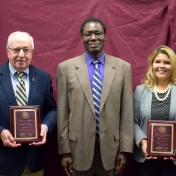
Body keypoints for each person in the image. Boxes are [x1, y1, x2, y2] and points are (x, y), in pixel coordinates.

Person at [57, 17, 133, 176]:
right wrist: (64, 151)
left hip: (112, 151)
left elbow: (127, 113)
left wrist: (125, 150)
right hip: (77, 150)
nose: (93, 37)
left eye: (97, 33)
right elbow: (62, 114)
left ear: (105, 36)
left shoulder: (123, 68)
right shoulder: (65, 68)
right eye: (88, 34)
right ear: (81, 38)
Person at [0, 31, 57, 176]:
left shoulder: (43, 78)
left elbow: (52, 110)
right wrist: (0, 131)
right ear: (7, 51)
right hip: (3, 161)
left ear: (32, 52)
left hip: (33, 162)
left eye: (26, 50)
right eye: (16, 49)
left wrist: (45, 126)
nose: (21, 55)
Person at [133, 46, 176, 176]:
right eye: (158, 62)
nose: (161, 66)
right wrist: (143, 142)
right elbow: (133, 122)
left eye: (167, 62)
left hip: (173, 161)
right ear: (152, 65)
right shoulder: (140, 91)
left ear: (173, 66)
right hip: (146, 158)